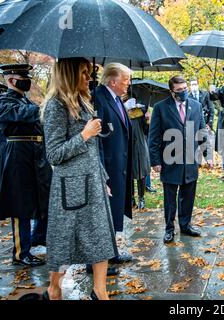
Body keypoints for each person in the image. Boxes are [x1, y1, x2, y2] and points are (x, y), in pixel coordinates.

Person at [42, 57, 118, 300]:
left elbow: (93, 150)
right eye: (84, 73)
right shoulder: (56, 105)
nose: (89, 77)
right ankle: (53, 289)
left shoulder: (84, 102)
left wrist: (102, 178)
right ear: (69, 74)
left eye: (89, 72)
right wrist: (84, 135)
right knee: (63, 242)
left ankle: (100, 291)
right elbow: (53, 154)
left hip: (93, 183)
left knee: (101, 238)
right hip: (70, 189)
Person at [0, 64, 52, 266]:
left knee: (41, 198)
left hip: (34, 155)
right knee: (21, 205)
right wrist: (45, 107)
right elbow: (20, 114)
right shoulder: (5, 101)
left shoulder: (23, 99)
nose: (26, 80)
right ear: (11, 79)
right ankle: (20, 253)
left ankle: (38, 237)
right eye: (22, 76)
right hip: (18, 156)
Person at [149, 75, 211, 244]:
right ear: (171, 91)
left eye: (185, 89)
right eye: (179, 90)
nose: (183, 92)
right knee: (170, 198)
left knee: (188, 195)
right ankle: (169, 228)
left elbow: (202, 133)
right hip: (169, 158)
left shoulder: (196, 106)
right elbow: (153, 137)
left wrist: (208, 155)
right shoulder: (160, 108)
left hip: (191, 159)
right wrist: (155, 161)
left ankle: (186, 225)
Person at [95, 63, 133, 265]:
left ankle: (111, 252)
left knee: (113, 211)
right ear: (113, 81)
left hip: (119, 164)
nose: (128, 84)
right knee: (103, 214)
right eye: (125, 79)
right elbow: (97, 138)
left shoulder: (116, 99)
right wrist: (102, 173)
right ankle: (98, 260)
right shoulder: (99, 98)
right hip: (107, 166)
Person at [124, 95, 150, 210]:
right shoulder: (122, 112)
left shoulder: (140, 112)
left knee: (141, 173)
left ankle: (141, 197)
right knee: (128, 173)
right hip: (127, 146)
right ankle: (131, 198)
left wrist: (147, 119)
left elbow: (146, 131)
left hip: (140, 145)